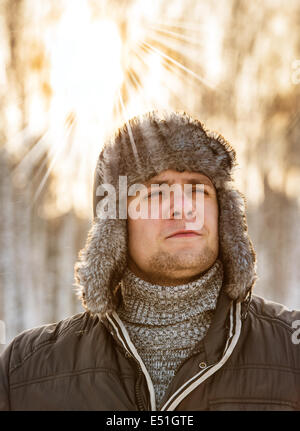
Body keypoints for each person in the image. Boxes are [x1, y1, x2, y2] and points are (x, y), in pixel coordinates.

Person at [0, 111, 299, 411]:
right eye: (156, 192)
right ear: (115, 225)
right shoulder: (24, 373)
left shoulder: (291, 352)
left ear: (225, 216)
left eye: (198, 189)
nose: (183, 209)